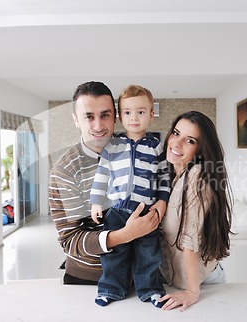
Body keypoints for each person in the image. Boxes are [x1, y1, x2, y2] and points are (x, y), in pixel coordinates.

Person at [49, 81, 160, 285]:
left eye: (105, 115)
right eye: (89, 117)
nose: (98, 126)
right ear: (76, 120)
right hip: (90, 278)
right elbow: (70, 240)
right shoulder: (65, 170)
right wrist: (123, 235)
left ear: (116, 117)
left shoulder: (140, 149)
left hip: (144, 276)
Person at [90, 85, 170, 307]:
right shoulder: (112, 145)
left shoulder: (156, 146)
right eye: (127, 112)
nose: (134, 117)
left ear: (151, 114)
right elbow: (102, 173)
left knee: (149, 254)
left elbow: (164, 176)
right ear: (119, 116)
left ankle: (150, 290)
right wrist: (96, 201)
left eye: (141, 112)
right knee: (114, 254)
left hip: (146, 211)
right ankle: (111, 289)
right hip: (116, 209)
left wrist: (162, 202)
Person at [158, 111, 233, 311]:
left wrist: (192, 291)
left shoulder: (197, 177)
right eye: (176, 133)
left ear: (200, 150)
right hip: (173, 280)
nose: (176, 143)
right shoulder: (169, 174)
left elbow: (189, 237)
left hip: (199, 284)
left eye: (189, 140)